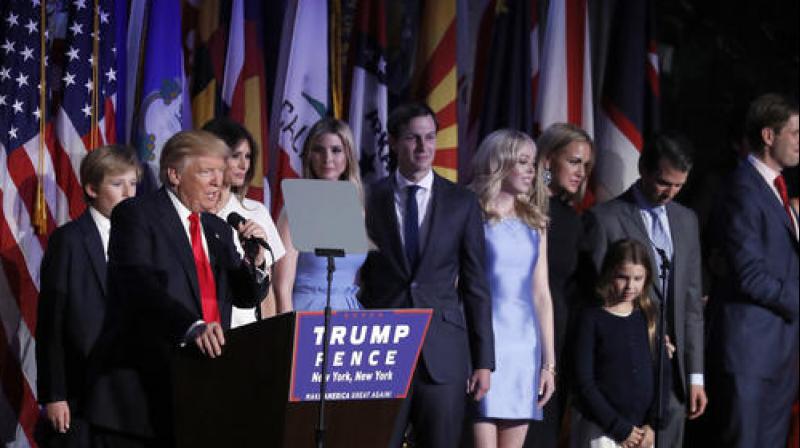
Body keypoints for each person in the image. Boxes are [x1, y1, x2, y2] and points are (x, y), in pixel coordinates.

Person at [86, 130, 270, 446]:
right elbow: (139, 286)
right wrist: (192, 327)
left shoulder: (216, 228)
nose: (219, 182)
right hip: (142, 398)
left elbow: (244, 295)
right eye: (206, 172)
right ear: (174, 174)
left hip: (202, 390)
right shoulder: (136, 214)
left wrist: (256, 263)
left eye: (220, 173)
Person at [360, 102, 494, 447]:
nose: (423, 148)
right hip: (382, 349)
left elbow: (476, 284)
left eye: (430, 138)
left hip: (443, 354)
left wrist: (483, 361)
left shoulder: (462, 202)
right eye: (413, 138)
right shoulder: (368, 198)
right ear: (392, 141)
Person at [582, 132, 707, 447]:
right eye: (664, 182)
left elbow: (691, 302)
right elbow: (596, 296)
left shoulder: (687, 220)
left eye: (679, 185)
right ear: (644, 169)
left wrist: (695, 376)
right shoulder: (605, 219)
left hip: (673, 379)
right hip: (624, 378)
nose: (671, 192)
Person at [706, 93, 799, 447]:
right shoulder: (742, 189)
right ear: (768, 135)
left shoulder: (775, 188)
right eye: (795, 133)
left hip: (778, 356)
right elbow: (750, 275)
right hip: (749, 356)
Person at [36, 146, 139, 447]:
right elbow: (51, 322)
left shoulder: (142, 239)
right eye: (117, 184)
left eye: (133, 184)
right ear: (92, 188)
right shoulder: (69, 240)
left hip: (128, 396)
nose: (128, 194)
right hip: (82, 396)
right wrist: (54, 395)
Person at [469, 129, 556, 448]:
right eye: (523, 161)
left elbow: (541, 294)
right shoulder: (470, 212)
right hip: (481, 343)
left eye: (533, 162)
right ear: (499, 162)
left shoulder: (536, 221)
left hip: (523, 348)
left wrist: (549, 363)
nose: (532, 170)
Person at [525, 123, 594, 447]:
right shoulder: (520, 208)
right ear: (548, 160)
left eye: (586, 165)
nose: (582, 171)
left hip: (557, 339)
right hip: (516, 334)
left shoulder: (573, 220)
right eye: (575, 161)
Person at [571, 239, 669, 448]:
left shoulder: (649, 317)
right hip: (602, 431)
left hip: (643, 434)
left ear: (647, 278)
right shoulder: (591, 318)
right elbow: (584, 383)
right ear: (609, 274)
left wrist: (652, 424)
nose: (630, 286)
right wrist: (618, 427)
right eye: (622, 277)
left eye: (637, 278)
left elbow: (663, 376)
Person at [273, 117, 366, 312]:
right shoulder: (296, 207)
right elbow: (281, 286)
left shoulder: (359, 208)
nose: (327, 159)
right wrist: (288, 332)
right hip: (306, 313)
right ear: (308, 156)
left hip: (349, 316)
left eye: (336, 150)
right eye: (318, 150)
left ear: (348, 155)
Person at [202, 117, 286, 324]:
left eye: (248, 157)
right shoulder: (190, 211)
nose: (244, 165)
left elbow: (267, 292)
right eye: (235, 156)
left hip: (246, 333)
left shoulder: (256, 211)